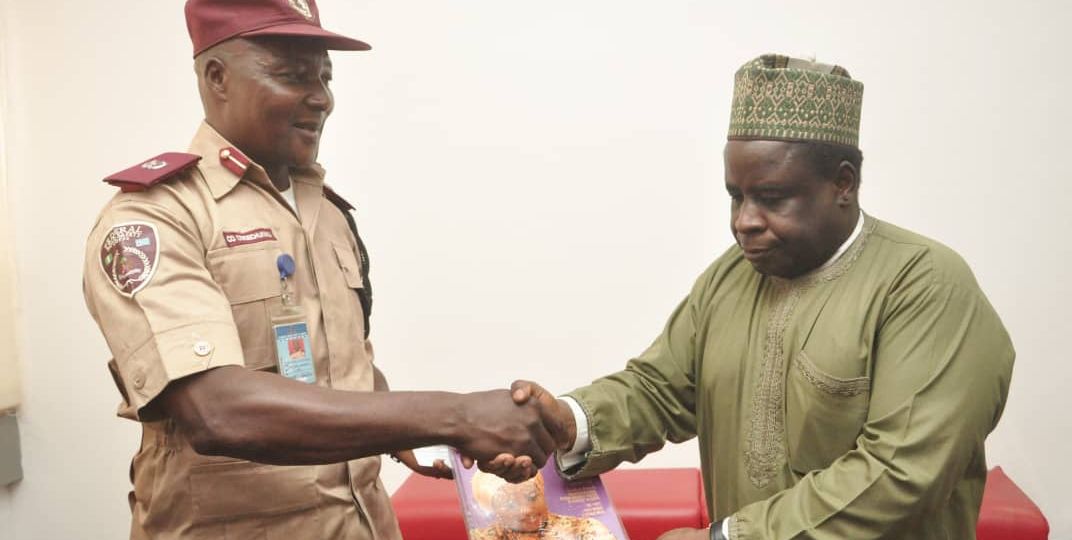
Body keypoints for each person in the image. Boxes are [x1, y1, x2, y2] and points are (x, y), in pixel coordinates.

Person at [82, 1, 552, 538]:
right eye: (292, 74)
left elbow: (339, 363)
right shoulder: (154, 218)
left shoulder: (327, 212)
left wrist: (421, 439)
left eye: (325, 76)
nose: (321, 97)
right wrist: (458, 416)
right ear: (217, 77)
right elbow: (217, 410)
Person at [507, 54, 1015, 539]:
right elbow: (657, 390)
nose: (743, 221)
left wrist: (729, 537)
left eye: (771, 198)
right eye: (736, 195)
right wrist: (567, 421)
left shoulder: (924, 285)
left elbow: (901, 474)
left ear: (843, 183)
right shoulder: (731, 277)